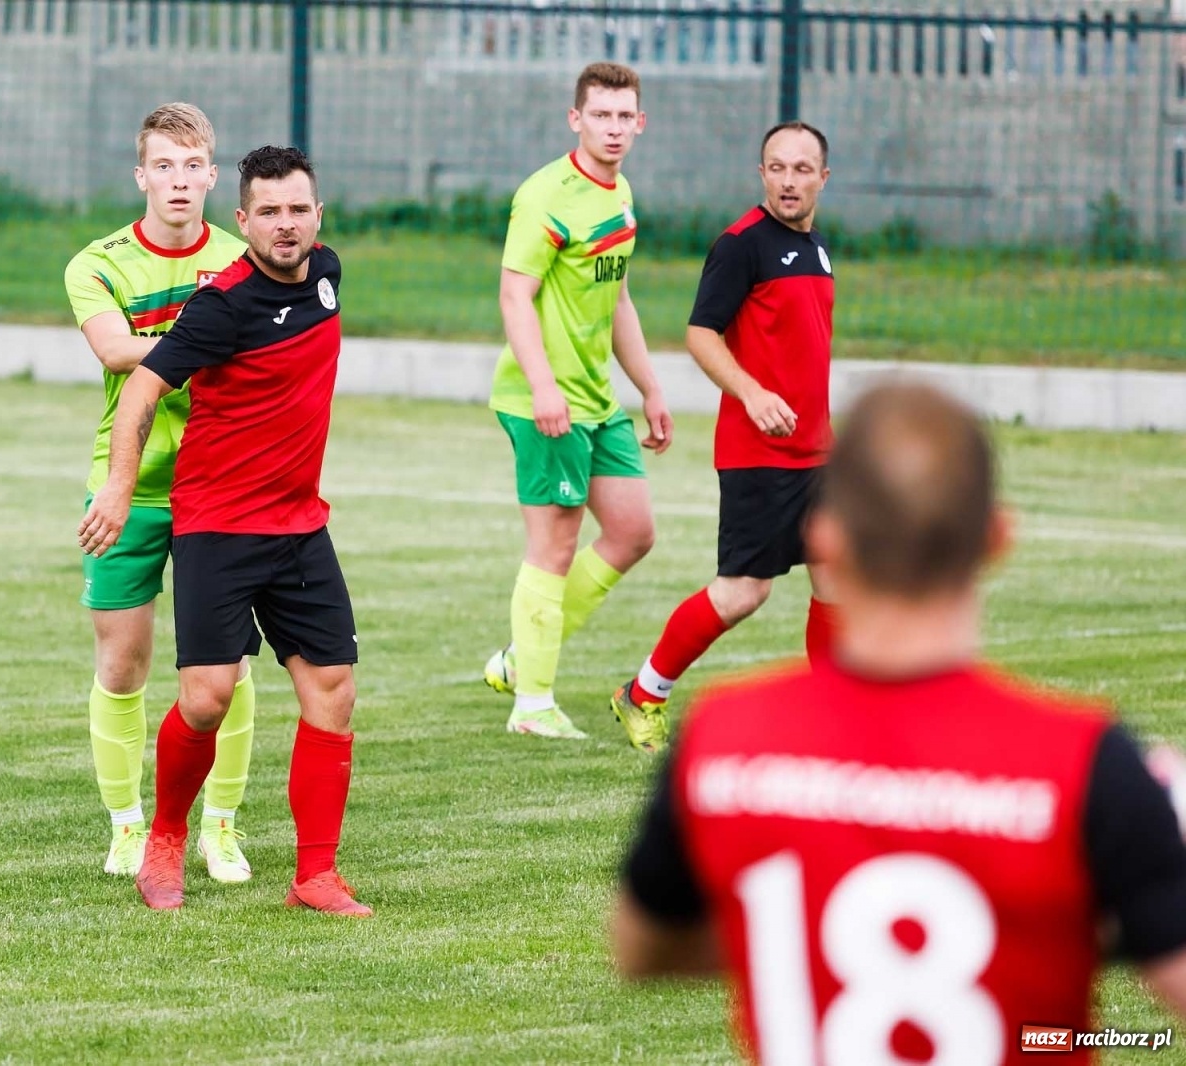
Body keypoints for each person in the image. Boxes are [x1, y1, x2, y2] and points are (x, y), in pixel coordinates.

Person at [614, 382, 1186, 1062]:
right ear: (997, 537)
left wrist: (797, 929)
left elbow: (638, 947)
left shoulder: (718, 742)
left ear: (827, 538)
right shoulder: (1089, 766)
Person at [77, 145, 370, 917]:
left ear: (318, 215)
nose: (285, 226)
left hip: (300, 526)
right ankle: (164, 840)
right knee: (206, 698)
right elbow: (141, 387)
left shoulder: (330, 276)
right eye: (268, 213)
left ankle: (316, 876)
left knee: (332, 692)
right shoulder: (222, 306)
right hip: (215, 525)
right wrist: (115, 485)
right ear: (241, 221)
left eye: (297, 210)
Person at [62, 103, 257, 885]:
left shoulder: (244, 258)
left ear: (212, 175)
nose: (178, 181)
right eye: (163, 166)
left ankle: (220, 827)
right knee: (124, 660)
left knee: (228, 668)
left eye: (192, 166)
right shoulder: (98, 263)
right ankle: (126, 827)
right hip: (129, 487)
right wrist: (215, 343)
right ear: (141, 175)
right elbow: (114, 350)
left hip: (221, 491)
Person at [608, 121, 838, 753]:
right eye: (777, 168)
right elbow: (701, 334)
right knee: (744, 592)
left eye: (801, 169)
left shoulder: (817, 247)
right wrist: (754, 393)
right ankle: (644, 691)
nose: (788, 181)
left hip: (817, 452)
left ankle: (837, 715)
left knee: (840, 574)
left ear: (823, 177)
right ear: (760, 173)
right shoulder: (740, 245)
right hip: (759, 456)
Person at [481, 61, 674, 744]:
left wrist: (649, 386)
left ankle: (518, 659)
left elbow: (618, 298)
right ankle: (532, 703)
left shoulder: (620, 193)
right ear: (576, 119)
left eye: (625, 117)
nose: (614, 128)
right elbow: (514, 296)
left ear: (639, 123)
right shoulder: (545, 195)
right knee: (554, 544)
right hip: (544, 399)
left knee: (633, 532)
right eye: (601, 116)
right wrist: (542, 389)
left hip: (597, 401)